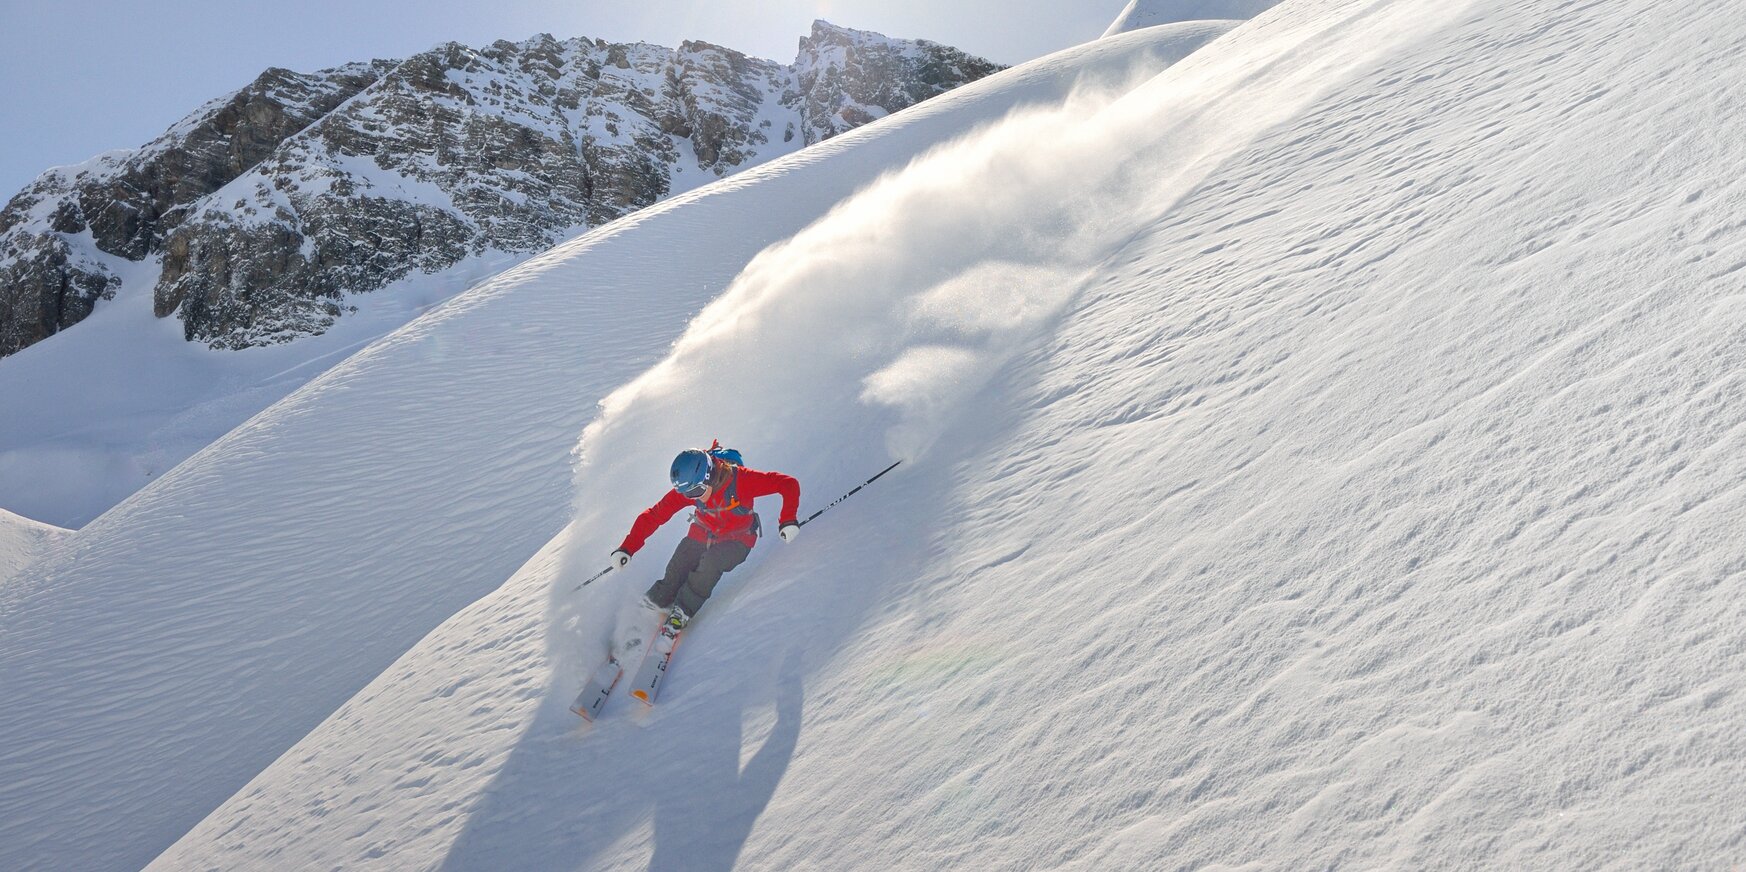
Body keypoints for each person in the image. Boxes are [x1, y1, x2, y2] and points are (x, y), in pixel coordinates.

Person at [610, 443, 801, 630]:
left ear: (710, 476)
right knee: (679, 563)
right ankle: (653, 603)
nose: (694, 498)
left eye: (696, 492)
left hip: (737, 540)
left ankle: (682, 611)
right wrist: (627, 547)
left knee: (710, 563)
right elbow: (654, 515)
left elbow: (788, 484)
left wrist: (788, 520)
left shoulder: (742, 480)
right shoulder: (690, 488)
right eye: (687, 494)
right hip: (703, 533)